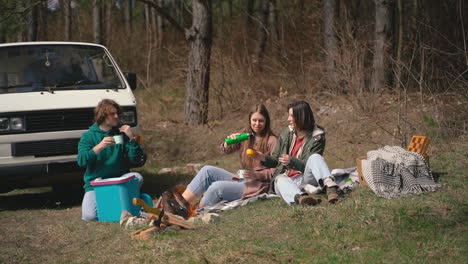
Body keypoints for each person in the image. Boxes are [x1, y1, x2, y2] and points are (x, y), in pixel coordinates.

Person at [181, 104, 277, 208]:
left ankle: (196, 213)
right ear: (249, 120)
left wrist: (256, 175)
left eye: (261, 121)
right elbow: (225, 150)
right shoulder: (245, 134)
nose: (257, 124)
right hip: (241, 177)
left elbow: (276, 170)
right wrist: (228, 143)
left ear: (266, 121)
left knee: (217, 187)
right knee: (207, 170)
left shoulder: (272, 141)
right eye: (254, 120)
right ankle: (180, 205)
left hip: (256, 185)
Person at [250, 100, 339, 206]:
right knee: (280, 179)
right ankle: (302, 198)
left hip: (306, 178)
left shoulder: (317, 136)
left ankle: (331, 189)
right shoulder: (286, 132)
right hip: (288, 180)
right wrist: (262, 157)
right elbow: (275, 160)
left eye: (292, 116)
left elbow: (308, 165)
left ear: (302, 117)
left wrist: (291, 161)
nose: (288, 119)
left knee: (315, 157)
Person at [77, 99, 145, 221]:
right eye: (112, 114)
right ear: (102, 116)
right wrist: (98, 147)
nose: (117, 116)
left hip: (120, 181)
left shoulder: (121, 134)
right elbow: (81, 161)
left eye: (117, 113)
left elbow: (137, 160)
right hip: (96, 184)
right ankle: (120, 207)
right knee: (89, 216)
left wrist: (131, 139)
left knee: (137, 177)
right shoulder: (88, 136)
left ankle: (125, 205)